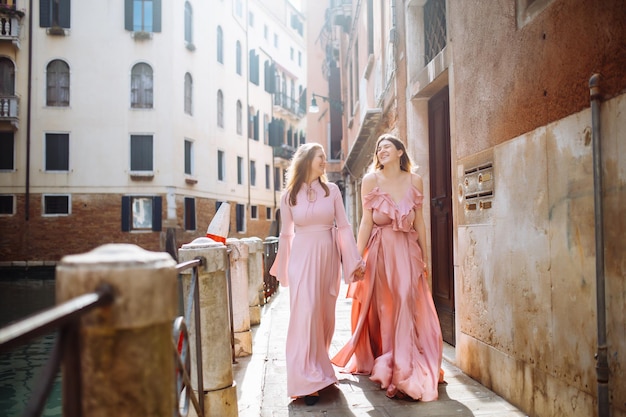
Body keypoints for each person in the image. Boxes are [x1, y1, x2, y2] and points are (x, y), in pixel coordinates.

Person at [331, 133, 444, 401]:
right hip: (380, 252)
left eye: (387, 147)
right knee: (386, 306)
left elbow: (420, 224)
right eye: (379, 148)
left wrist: (425, 258)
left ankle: (405, 365)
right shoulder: (371, 180)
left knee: (406, 298)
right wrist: (357, 259)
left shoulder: (415, 180)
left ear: (400, 152)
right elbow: (366, 223)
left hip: (407, 251)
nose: (381, 151)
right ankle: (390, 360)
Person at [269, 143, 364, 405]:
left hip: (327, 257)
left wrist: (353, 261)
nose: (324, 161)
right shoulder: (288, 196)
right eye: (320, 157)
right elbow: (286, 234)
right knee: (305, 313)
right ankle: (305, 380)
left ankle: (319, 371)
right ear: (307, 160)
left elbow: (343, 226)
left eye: (323, 157)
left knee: (324, 315)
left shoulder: (332, 190)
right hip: (301, 257)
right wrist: (282, 267)